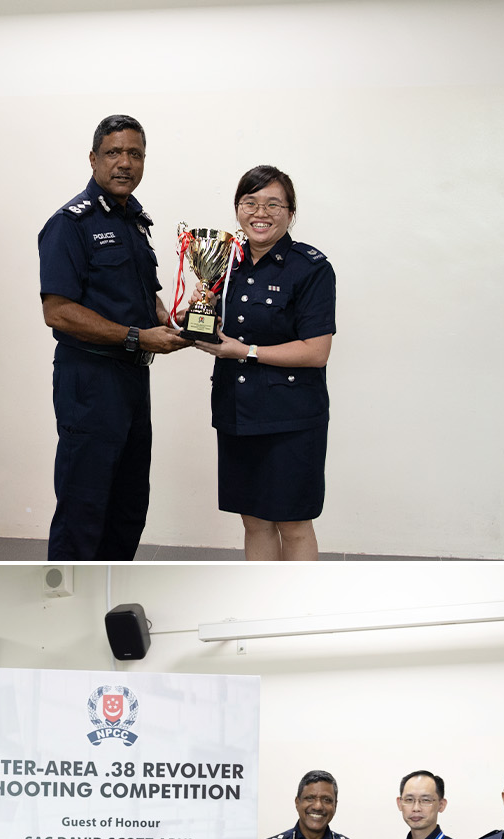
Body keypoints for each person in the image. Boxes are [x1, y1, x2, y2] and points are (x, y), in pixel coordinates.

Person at [36, 114, 186, 561]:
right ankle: (66, 611)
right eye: (114, 152)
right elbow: (57, 311)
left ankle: (107, 596)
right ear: (94, 158)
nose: (125, 163)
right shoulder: (70, 224)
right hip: (90, 380)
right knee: (85, 508)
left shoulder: (135, 221)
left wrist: (173, 318)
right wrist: (139, 336)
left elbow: (146, 298)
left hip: (133, 383)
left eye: (135, 153)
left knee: (128, 506)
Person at [188, 165, 336, 560]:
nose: (261, 212)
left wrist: (246, 352)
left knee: (293, 522)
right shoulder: (225, 264)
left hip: (291, 418)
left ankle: (300, 609)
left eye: (274, 204)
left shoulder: (311, 268)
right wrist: (198, 317)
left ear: (290, 213)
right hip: (238, 411)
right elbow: (220, 327)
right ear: (238, 209)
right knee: (253, 519)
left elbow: (316, 351)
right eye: (250, 202)